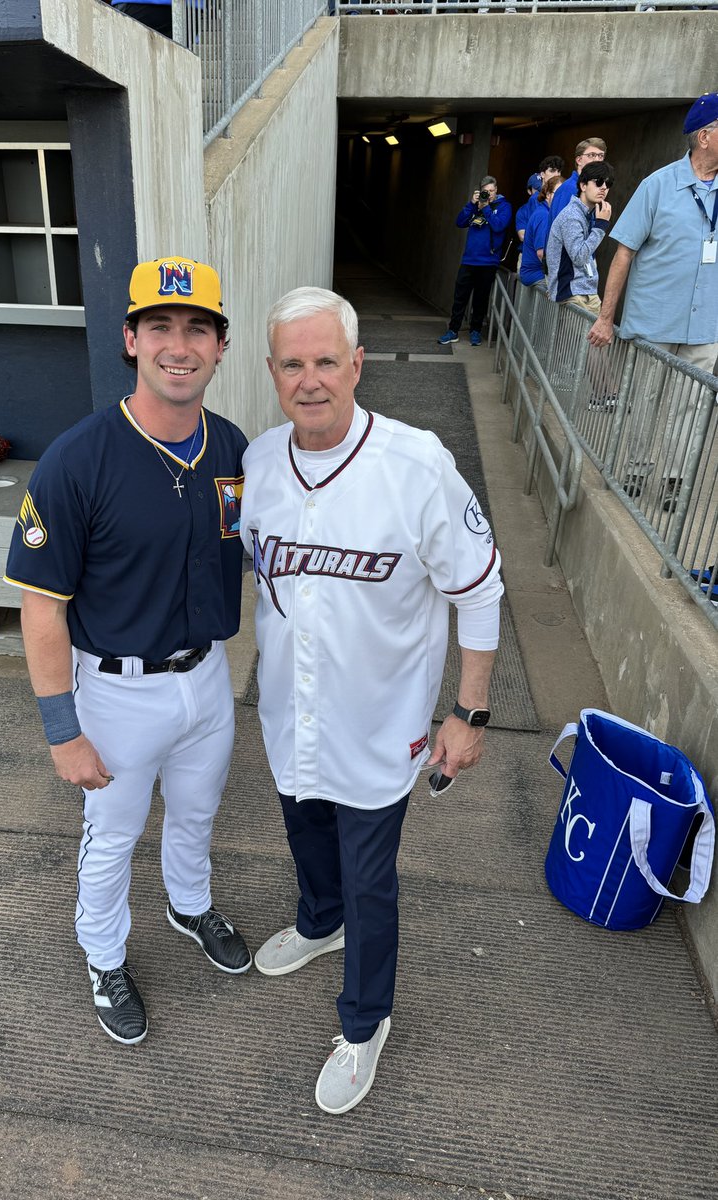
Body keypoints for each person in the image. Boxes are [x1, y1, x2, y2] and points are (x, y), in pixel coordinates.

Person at [242, 286, 503, 1115]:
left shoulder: (417, 464)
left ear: (356, 364)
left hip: (382, 725)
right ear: (272, 371)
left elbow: (481, 588)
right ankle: (318, 923)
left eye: (327, 360)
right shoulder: (255, 463)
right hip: (290, 712)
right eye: (293, 363)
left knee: (370, 878)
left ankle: (365, 1023)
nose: (310, 378)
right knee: (302, 827)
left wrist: (470, 712)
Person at [4, 256, 251, 1047]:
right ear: (131, 340)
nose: (178, 345)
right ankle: (103, 957)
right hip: (116, 692)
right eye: (160, 328)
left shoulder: (233, 448)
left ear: (220, 345)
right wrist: (60, 727)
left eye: (196, 329)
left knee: (199, 813)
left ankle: (188, 904)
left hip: (206, 678)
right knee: (111, 837)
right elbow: (41, 602)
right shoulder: (79, 457)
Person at [588, 93, 718, 509]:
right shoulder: (658, 186)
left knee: (691, 405)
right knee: (643, 399)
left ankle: (674, 480)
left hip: (704, 326)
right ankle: (638, 470)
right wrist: (606, 319)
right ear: (704, 136)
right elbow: (622, 252)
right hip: (654, 321)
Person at [438, 176, 512, 347]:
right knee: (460, 297)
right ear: (481, 191)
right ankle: (453, 330)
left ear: (497, 190)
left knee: (481, 298)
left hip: (488, 261)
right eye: (486, 192)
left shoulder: (504, 207)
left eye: (493, 191)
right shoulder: (474, 206)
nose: (490, 195)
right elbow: (460, 222)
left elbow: (499, 226)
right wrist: (472, 204)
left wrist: (485, 208)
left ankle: (475, 331)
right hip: (469, 259)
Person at [545, 161, 614, 310]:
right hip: (571, 294)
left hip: (587, 292)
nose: (603, 187)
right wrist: (600, 226)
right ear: (583, 186)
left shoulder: (589, 214)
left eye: (608, 184)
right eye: (599, 182)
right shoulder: (571, 216)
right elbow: (579, 256)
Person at [549, 138, 608, 229]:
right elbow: (561, 232)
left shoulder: (590, 187)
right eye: (591, 155)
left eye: (600, 156)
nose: (597, 160)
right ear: (579, 160)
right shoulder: (569, 189)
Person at [519, 173, 563, 287]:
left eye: (563, 193)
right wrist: (554, 280)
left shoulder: (548, 213)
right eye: (557, 193)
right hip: (537, 275)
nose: (561, 197)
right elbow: (541, 253)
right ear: (548, 195)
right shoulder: (544, 215)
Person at [515, 172, 543, 245]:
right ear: (529, 191)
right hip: (526, 253)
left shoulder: (550, 207)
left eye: (542, 189)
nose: (540, 193)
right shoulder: (522, 211)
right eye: (537, 190)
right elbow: (522, 236)